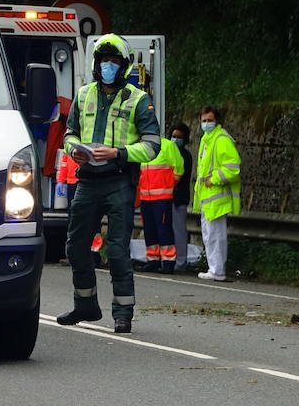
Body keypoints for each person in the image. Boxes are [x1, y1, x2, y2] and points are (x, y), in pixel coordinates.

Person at [55, 34, 162, 333]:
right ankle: (85, 305)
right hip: (87, 180)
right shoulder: (84, 94)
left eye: (114, 61)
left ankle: (123, 312)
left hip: (118, 181)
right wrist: (75, 150)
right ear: (96, 63)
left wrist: (120, 153)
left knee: (116, 250)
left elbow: (153, 145)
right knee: (76, 247)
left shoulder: (139, 99)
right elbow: (69, 133)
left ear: (125, 65)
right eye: (104, 60)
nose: (108, 66)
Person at [193, 106, 241, 281]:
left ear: (217, 121)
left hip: (217, 196)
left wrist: (213, 179)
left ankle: (217, 270)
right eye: (204, 120)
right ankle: (214, 268)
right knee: (209, 235)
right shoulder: (207, 139)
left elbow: (233, 167)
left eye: (209, 120)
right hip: (208, 197)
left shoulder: (221, 140)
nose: (206, 124)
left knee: (215, 235)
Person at [138, 131, 185, 272]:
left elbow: (179, 168)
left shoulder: (168, 145)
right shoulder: (140, 147)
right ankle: (153, 259)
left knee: (164, 228)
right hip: (145, 197)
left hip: (162, 197)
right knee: (149, 229)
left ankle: (168, 261)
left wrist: (168, 185)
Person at [168, 123, 195, 272]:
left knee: (179, 232)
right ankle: (172, 260)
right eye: (173, 136)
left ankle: (180, 262)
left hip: (178, 198)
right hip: (168, 197)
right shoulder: (170, 153)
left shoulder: (185, 155)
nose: (175, 139)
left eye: (179, 137)